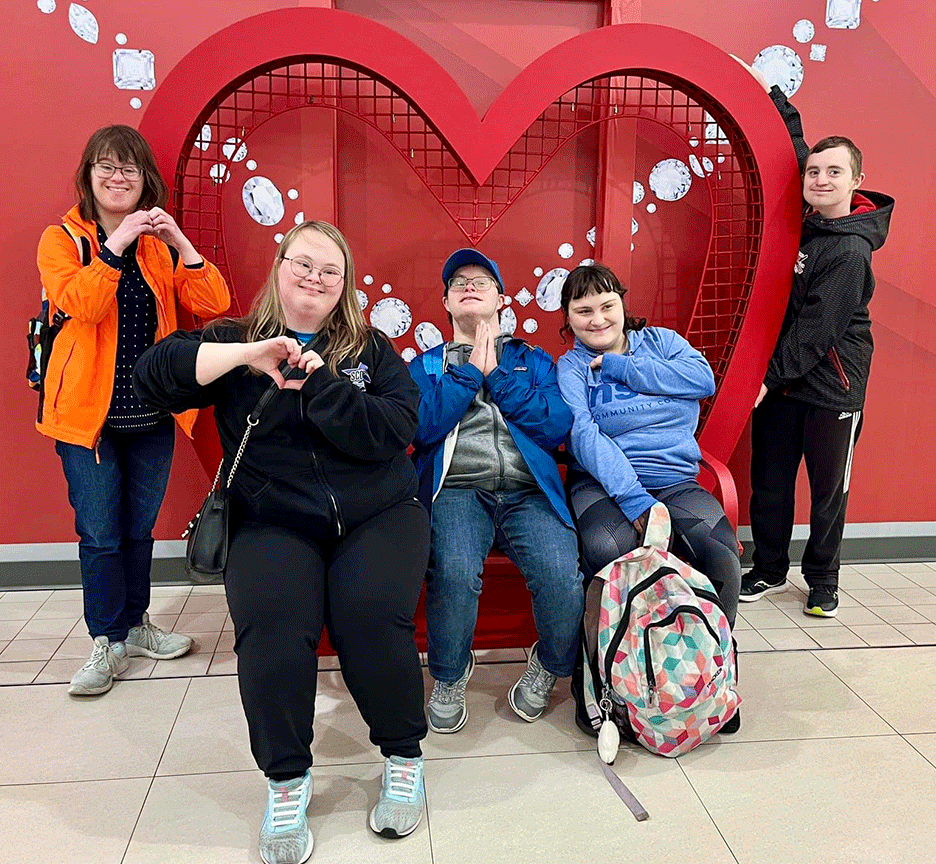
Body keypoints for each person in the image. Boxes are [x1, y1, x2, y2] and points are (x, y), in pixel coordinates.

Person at [134, 220, 429, 863]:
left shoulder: (370, 351)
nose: (315, 278)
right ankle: (287, 779)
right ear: (280, 267)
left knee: (371, 621)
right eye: (303, 263)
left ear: (345, 287)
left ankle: (404, 755)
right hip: (273, 518)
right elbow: (154, 375)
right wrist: (249, 356)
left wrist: (320, 385)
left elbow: (393, 430)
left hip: (379, 512)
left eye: (331, 271)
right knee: (271, 629)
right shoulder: (234, 339)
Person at [36, 125, 230, 697]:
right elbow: (84, 304)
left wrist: (183, 246)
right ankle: (106, 639)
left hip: (150, 415)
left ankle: (138, 625)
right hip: (86, 419)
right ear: (88, 175)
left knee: (139, 529)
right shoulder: (62, 240)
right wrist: (114, 244)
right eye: (107, 166)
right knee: (99, 532)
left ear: (146, 180)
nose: (118, 178)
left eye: (130, 169)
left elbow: (214, 306)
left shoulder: (156, 246)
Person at [733, 57, 894, 617]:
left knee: (828, 493)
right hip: (784, 382)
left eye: (834, 173)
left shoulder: (850, 248)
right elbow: (795, 147)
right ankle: (769, 568)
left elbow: (816, 330)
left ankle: (823, 579)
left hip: (832, 387)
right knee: (769, 480)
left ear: (856, 179)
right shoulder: (808, 212)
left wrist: (763, 378)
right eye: (815, 173)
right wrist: (767, 91)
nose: (820, 179)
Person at [556, 263, 741, 733]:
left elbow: (702, 381)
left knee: (722, 560)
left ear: (622, 303)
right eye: (584, 311)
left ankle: (709, 681)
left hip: (676, 479)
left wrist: (618, 366)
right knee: (606, 553)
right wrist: (637, 502)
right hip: (604, 484)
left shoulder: (662, 343)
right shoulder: (571, 366)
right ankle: (598, 685)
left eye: (606, 306)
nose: (597, 319)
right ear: (569, 317)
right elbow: (583, 435)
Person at [409, 248, 583, 733]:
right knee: (454, 571)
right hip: (458, 491)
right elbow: (419, 428)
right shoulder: (424, 367)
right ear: (445, 302)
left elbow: (555, 426)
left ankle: (549, 665)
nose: (469, 285)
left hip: (529, 493)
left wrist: (498, 376)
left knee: (560, 575)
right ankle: (449, 674)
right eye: (458, 281)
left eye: (481, 281)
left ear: (502, 300)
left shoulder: (534, 361)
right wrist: (468, 375)